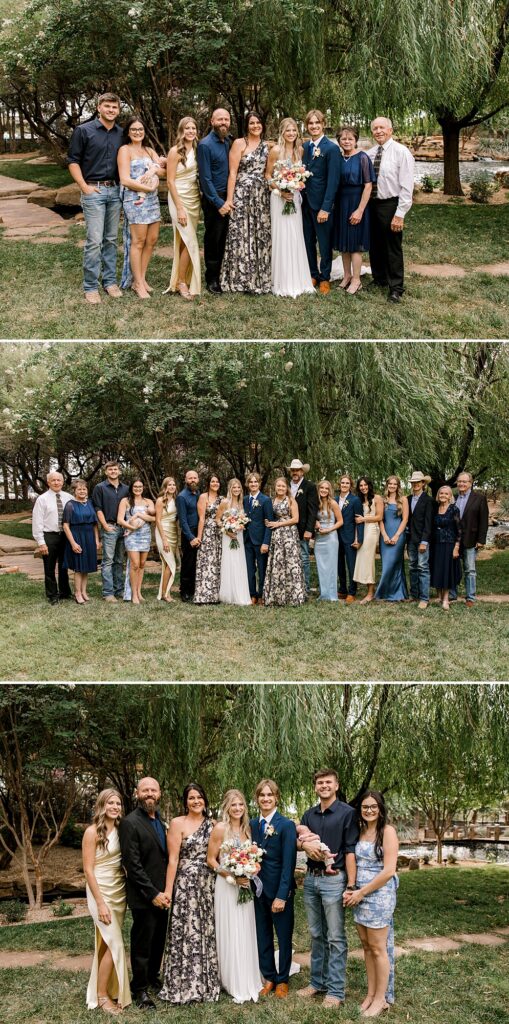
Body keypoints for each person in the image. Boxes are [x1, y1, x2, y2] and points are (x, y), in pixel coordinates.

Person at [297, 769, 359, 1009]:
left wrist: (351, 885)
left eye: (328, 782)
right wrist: (304, 845)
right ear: (315, 787)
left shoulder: (348, 813)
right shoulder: (308, 814)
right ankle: (317, 982)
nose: (323, 786)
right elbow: (296, 839)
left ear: (336, 785)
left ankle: (335, 990)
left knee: (334, 936)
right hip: (311, 879)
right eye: (320, 782)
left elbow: (350, 850)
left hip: (335, 880)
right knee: (316, 934)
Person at [158, 784, 219, 1004]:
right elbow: (173, 860)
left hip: (208, 884)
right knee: (185, 930)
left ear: (205, 800)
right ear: (185, 802)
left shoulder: (214, 825)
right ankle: (182, 983)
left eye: (199, 797)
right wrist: (168, 890)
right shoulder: (177, 823)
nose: (196, 801)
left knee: (205, 929)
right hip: (185, 885)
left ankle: (206, 982)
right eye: (191, 798)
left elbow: (220, 856)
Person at [343, 791, 399, 1018]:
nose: (368, 810)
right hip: (360, 894)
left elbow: (388, 871)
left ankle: (381, 999)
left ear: (380, 808)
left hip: (379, 895)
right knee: (366, 947)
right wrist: (353, 889)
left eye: (373, 806)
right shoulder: (362, 830)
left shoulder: (387, 832)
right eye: (365, 807)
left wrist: (362, 892)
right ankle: (370, 994)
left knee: (378, 948)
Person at [118, 777, 170, 1011]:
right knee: (142, 944)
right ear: (137, 793)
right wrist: (152, 894)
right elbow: (133, 865)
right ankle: (138, 988)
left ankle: (152, 977)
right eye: (145, 790)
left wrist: (165, 892)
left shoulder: (159, 821)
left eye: (153, 790)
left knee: (158, 940)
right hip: (144, 896)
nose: (150, 794)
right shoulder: (130, 823)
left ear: (159, 794)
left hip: (163, 895)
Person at [67, 93, 124, 304]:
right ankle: (90, 286)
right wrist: (84, 187)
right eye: (107, 106)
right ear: (99, 107)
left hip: (115, 191)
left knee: (111, 239)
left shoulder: (121, 133)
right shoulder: (83, 130)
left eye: (114, 107)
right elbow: (73, 161)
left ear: (118, 110)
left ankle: (109, 282)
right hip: (94, 192)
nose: (111, 110)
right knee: (94, 240)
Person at [207, 789, 263, 1003]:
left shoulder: (248, 829)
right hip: (227, 885)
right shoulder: (220, 828)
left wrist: (249, 870)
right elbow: (211, 859)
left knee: (245, 928)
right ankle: (230, 978)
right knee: (230, 928)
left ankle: (247, 974)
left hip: (245, 886)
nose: (238, 808)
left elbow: (253, 856)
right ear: (227, 808)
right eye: (233, 805)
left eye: (241, 805)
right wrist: (232, 874)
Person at [82, 789, 131, 1014]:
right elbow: (88, 870)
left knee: (106, 944)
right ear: (102, 805)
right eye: (110, 803)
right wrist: (100, 903)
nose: (115, 806)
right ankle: (102, 997)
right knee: (115, 944)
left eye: (118, 803)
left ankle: (105, 989)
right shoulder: (92, 832)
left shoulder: (122, 830)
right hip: (100, 890)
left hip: (119, 890)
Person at [250, 779, 297, 1000]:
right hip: (257, 892)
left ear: (276, 797)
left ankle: (283, 980)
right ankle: (268, 976)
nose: (266, 799)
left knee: (284, 937)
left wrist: (282, 895)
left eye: (270, 795)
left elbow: (288, 863)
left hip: (279, 893)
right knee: (263, 936)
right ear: (257, 798)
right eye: (262, 795)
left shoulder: (286, 825)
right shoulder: (251, 825)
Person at [220, 111, 271, 294]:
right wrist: (229, 199)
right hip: (242, 193)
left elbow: (268, 173)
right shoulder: (239, 143)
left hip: (261, 195)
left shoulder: (267, 147)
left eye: (258, 122)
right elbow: (232, 173)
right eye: (252, 123)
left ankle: (260, 278)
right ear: (246, 125)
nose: (255, 126)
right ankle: (240, 279)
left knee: (260, 233)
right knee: (241, 233)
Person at [265, 117, 315, 298]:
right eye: (288, 131)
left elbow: (302, 176)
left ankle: (299, 278)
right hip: (279, 199)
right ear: (282, 132)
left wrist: (294, 187)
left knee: (295, 235)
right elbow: (268, 175)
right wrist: (280, 189)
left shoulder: (300, 150)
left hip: (294, 198)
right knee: (282, 235)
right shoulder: (275, 151)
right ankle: (282, 280)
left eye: (294, 130)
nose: (291, 133)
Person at [367, 117, 415, 303]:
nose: (378, 131)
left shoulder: (401, 152)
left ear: (390, 130)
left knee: (392, 246)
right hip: (372, 204)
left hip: (390, 204)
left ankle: (396, 287)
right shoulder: (370, 153)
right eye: (375, 128)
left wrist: (400, 214)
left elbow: (407, 186)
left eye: (382, 128)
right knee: (375, 244)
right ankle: (379, 278)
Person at [117, 116, 165, 299]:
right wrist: (148, 187)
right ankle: (136, 283)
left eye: (140, 129)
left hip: (151, 200)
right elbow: (125, 179)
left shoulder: (149, 150)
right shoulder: (125, 150)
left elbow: (163, 171)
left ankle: (142, 278)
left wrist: (154, 170)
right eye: (134, 129)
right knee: (138, 241)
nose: (138, 132)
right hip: (134, 200)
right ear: (128, 132)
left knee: (152, 240)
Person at [301, 109, 340, 295]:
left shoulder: (331, 149)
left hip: (322, 206)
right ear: (307, 126)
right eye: (310, 123)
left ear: (323, 124)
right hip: (305, 204)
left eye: (317, 123)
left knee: (324, 244)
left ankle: (325, 277)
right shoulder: (305, 147)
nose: (314, 126)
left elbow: (333, 181)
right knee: (308, 242)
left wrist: (326, 207)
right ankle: (312, 273)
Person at [334, 125, 376, 295]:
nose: (347, 141)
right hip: (341, 204)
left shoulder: (363, 158)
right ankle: (346, 276)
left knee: (355, 244)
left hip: (356, 202)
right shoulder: (338, 158)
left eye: (350, 138)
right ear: (339, 141)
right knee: (344, 244)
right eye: (343, 139)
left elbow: (368, 186)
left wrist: (359, 210)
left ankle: (357, 280)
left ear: (355, 140)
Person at [165, 116, 202, 299]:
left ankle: (182, 278)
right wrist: (179, 207)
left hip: (194, 198)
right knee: (190, 241)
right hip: (178, 197)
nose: (190, 131)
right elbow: (170, 181)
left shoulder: (197, 149)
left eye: (193, 128)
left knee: (185, 241)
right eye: (187, 128)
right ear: (181, 130)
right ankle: (181, 283)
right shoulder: (175, 151)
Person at [197, 108, 232, 293]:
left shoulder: (227, 141)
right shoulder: (205, 145)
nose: (223, 122)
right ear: (212, 121)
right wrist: (219, 203)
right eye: (220, 119)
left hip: (229, 197)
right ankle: (211, 278)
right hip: (214, 200)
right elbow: (205, 179)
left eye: (226, 119)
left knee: (227, 238)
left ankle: (225, 274)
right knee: (214, 239)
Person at [263, 477, 306, 607]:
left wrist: (278, 523)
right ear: (275, 487)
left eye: (283, 486)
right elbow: (270, 517)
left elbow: (295, 519)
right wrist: (269, 522)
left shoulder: (291, 500)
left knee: (291, 563)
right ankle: (277, 596)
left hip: (289, 534)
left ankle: (294, 596)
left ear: (286, 487)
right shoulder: (271, 501)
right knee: (278, 562)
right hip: (277, 535)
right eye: (278, 486)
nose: (280, 488)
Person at [32, 470, 73, 605]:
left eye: (59, 480)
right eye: (53, 480)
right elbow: (37, 522)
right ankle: (52, 595)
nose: (56, 482)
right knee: (49, 567)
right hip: (49, 536)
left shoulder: (69, 497)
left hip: (65, 536)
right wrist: (41, 542)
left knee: (64, 566)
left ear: (62, 482)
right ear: (48, 482)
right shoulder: (42, 499)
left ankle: (65, 592)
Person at [92, 462, 129, 603]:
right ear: (106, 472)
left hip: (123, 528)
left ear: (119, 472)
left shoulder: (125, 488)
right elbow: (97, 508)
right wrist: (105, 526)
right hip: (110, 527)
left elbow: (129, 508)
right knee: (108, 561)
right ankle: (108, 593)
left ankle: (119, 590)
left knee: (119, 561)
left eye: (116, 469)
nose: (113, 471)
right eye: (110, 469)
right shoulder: (100, 488)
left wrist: (127, 527)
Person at [450, 471, 489, 606]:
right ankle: (452, 594)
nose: (461, 484)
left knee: (470, 569)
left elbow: (483, 521)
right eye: (459, 481)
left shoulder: (479, 498)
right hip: (453, 539)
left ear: (470, 483)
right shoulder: (452, 498)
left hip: (471, 538)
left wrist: (481, 540)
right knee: (453, 568)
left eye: (464, 481)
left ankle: (470, 597)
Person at [62, 479, 100, 604]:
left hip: (89, 536)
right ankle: (77, 592)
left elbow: (94, 524)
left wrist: (96, 540)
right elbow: (66, 526)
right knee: (79, 567)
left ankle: (84, 591)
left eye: (84, 489)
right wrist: (73, 543)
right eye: (79, 489)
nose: (82, 491)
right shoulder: (70, 505)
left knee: (86, 567)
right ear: (74, 491)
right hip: (77, 536)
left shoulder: (89, 503)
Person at [117, 480, 155, 604]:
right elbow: (120, 520)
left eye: (140, 486)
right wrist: (132, 528)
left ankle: (139, 592)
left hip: (145, 534)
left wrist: (139, 515)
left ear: (143, 488)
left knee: (142, 564)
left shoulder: (148, 502)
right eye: (135, 486)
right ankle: (133, 594)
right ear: (131, 488)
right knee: (135, 564)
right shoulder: (125, 501)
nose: (138, 488)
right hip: (131, 535)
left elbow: (154, 518)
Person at [216, 478, 252, 606]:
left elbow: (244, 519)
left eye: (238, 488)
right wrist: (227, 530)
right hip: (228, 536)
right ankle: (228, 594)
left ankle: (240, 593)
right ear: (230, 489)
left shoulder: (242, 502)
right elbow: (218, 519)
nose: (236, 490)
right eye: (234, 487)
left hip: (239, 536)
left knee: (239, 562)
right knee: (229, 561)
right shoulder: (225, 502)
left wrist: (240, 525)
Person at [375, 476, 409, 602]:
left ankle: (393, 593)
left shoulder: (403, 500)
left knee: (395, 563)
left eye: (395, 484)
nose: (392, 486)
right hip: (385, 535)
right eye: (390, 484)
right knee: (386, 564)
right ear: (387, 485)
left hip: (398, 535)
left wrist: (396, 535)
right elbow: (380, 519)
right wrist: (384, 535)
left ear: (398, 486)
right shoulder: (382, 500)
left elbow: (405, 519)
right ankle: (389, 592)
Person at [288, 458, 319, 595]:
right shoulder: (286, 485)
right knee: (289, 558)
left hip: (302, 529)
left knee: (304, 559)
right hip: (287, 529)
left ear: (302, 471)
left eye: (297, 470)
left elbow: (313, 510)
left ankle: (305, 588)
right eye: (293, 470)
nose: (295, 472)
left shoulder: (310, 486)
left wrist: (309, 529)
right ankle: (292, 586)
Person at [430, 485, 462, 611]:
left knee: (447, 571)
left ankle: (446, 599)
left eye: (446, 494)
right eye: (441, 493)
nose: (443, 495)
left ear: (450, 496)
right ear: (438, 495)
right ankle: (439, 596)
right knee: (437, 570)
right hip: (436, 544)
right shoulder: (435, 508)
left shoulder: (454, 509)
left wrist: (456, 547)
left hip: (449, 544)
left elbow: (459, 530)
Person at [243, 472, 273, 605]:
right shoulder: (244, 500)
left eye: (255, 482)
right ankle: (252, 594)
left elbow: (269, 523)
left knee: (262, 569)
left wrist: (266, 542)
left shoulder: (265, 500)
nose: (253, 484)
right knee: (249, 569)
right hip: (246, 540)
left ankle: (261, 594)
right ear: (247, 484)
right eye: (251, 482)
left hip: (260, 541)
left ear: (259, 483)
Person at [353, 477, 384, 604]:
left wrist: (364, 519)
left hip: (371, 529)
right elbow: (356, 519)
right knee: (363, 559)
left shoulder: (377, 498)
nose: (363, 487)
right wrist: (356, 537)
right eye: (361, 485)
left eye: (365, 485)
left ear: (369, 485)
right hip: (361, 529)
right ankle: (369, 589)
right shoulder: (358, 500)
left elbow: (379, 516)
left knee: (368, 559)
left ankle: (370, 593)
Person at [406, 471, 434, 610]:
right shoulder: (408, 499)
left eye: (418, 482)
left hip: (422, 540)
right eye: (413, 482)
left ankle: (424, 598)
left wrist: (425, 541)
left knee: (423, 567)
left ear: (423, 483)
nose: (415, 484)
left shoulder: (429, 500)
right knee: (412, 566)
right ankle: (414, 595)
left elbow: (429, 523)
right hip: (410, 539)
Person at [194, 474, 223, 604]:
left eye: (217, 481)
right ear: (208, 483)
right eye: (212, 481)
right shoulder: (203, 497)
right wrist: (199, 537)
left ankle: (217, 595)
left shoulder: (223, 499)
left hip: (220, 532)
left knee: (217, 562)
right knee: (206, 562)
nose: (215, 483)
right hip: (207, 532)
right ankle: (203, 595)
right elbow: (201, 518)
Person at [336, 474, 365, 603]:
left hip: (350, 537)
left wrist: (359, 539)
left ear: (350, 485)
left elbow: (359, 521)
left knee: (351, 565)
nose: (344, 485)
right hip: (336, 537)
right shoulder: (334, 500)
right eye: (342, 483)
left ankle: (352, 591)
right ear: (339, 484)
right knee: (339, 565)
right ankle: (342, 590)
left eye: (347, 483)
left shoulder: (355, 500)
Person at [314, 480, 343, 601]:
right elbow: (313, 517)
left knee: (331, 566)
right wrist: (315, 522)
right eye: (322, 488)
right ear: (319, 489)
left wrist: (329, 530)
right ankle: (324, 593)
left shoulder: (333, 503)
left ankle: (331, 595)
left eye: (326, 488)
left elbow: (341, 521)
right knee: (321, 566)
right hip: (319, 538)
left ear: (329, 490)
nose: (324, 490)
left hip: (331, 538)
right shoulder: (316, 503)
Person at [176, 470, 200, 602]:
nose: (193, 480)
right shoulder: (182, 497)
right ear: (186, 480)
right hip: (188, 533)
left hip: (199, 532)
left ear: (198, 479)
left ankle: (194, 589)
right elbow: (182, 520)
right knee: (188, 563)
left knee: (197, 563)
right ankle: (184, 591)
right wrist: (191, 538)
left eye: (195, 478)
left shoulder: (198, 494)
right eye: (190, 478)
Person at [154, 476, 179, 602]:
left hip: (173, 533)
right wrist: (164, 539)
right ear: (165, 487)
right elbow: (157, 520)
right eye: (169, 485)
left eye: (174, 484)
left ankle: (166, 592)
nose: (172, 487)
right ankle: (164, 594)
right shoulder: (160, 501)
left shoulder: (176, 499)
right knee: (170, 563)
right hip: (162, 531)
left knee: (167, 564)